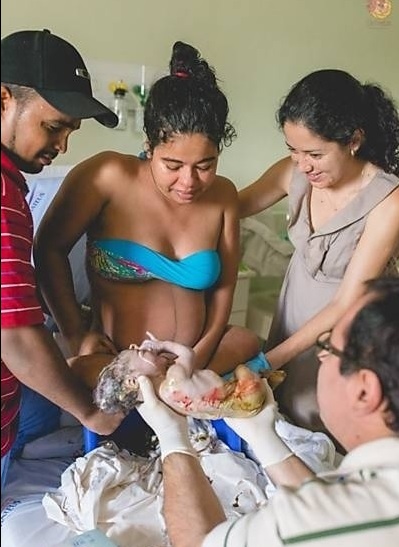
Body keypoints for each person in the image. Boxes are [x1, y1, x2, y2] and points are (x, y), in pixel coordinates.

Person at [34, 41, 262, 380]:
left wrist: (191, 360)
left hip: (195, 356)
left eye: (205, 165)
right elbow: (48, 247)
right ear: (149, 145)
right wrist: (75, 333)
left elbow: (224, 290)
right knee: (73, 372)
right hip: (122, 360)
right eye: (172, 165)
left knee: (249, 340)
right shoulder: (107, 176)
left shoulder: (223, 194)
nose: (189, 181)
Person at [136, 276, 399, 547]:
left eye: (328, 348)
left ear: (365, 391)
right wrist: (266, 441)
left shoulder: (341, 516)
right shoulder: (367, 499)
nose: (321, 357)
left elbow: (200, 542)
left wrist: (173, 440)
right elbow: (328, 511)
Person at [238, 69, 399, 432]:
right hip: (293, 313)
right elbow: (228, 207)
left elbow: (346, 303)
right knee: (275, 421)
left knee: (324, 425)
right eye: (292, 150)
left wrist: (266, 360)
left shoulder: (388, 202)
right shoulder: (293, 174)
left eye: (315, 153)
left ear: (354, 140)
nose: (303, 164)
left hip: (343, 334)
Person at [1, 29, 125, 485]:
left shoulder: (13, 185)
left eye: (71, 132)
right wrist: (89, 410)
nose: (62, 147)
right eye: (53, 127)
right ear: (4, 101)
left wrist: (77, 332)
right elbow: (13, 337)